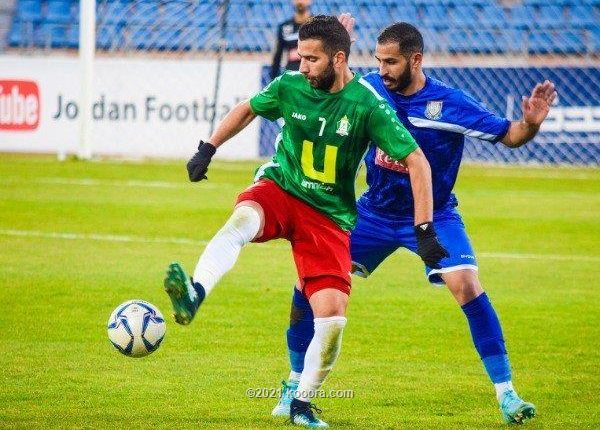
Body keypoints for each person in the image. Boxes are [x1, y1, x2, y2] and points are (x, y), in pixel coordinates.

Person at [164, 16, 447, 428]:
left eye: (312, 59)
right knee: (242, 220)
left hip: (328, 216)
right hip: (282, 187)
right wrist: (208, 147)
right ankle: (195, 292)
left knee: (332, 319)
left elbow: (417, 160)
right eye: (300, 57)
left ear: (338, 59)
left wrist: (424, 229)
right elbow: (248, 109)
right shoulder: (290, 86)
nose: (302, 66)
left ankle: (301, 403)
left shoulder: (368, 105)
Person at [271, 21, 557, 425]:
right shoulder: (370, 89)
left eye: (391, 62)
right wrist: (338, 40)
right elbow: (327, 78)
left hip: (435, 214)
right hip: (373, 212)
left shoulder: (450, 103)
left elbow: (510, 135)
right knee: (308, 283)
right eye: (378, 61)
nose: (382, 70)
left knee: (466, 284)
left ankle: (507, 394)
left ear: (416, 60)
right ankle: (293, 382)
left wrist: (530, 124)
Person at [270, 0, 312, 80]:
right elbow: (277, 56)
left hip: (312, 76)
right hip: (291, 75)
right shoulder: (284, 27)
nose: (300, 1)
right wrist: (273, 80)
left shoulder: (318, 25)